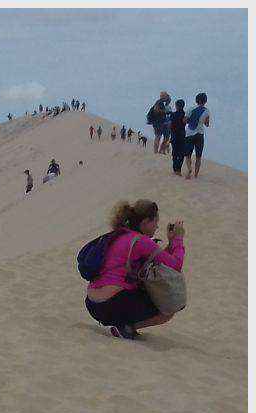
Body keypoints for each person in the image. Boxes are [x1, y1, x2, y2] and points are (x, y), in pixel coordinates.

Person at [85, 200, 186, 339]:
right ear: (145, 222)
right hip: (111, 304)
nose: (157, 226)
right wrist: (178, 240)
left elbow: (158, 260)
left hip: (92, 303)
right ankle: (125, 327)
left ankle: (124, 325)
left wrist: (170, 243)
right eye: (155, 222)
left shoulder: (119, 234)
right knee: (168, 307)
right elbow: (175, 265)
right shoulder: (140, 241)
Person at [184, 92, 210, 179]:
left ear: (196, 100)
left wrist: (190, 120)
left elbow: (184, 121)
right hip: (200, 134)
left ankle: (189, 169)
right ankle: (196, 175)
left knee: (188, 155)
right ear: (205, 101)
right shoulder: (207, 111)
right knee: (198, 156)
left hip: (190, 133)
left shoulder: (190, 109)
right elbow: (207, 124)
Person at [169, 99, 187, 176]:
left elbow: (170, 125)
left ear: (176, 106)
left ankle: (175, 169)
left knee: (174, 152)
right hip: (182, 135)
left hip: (174, 135)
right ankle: (179, 169)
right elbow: (186, 123)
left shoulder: (172, 115)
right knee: (181, 153)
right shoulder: (185, 115)